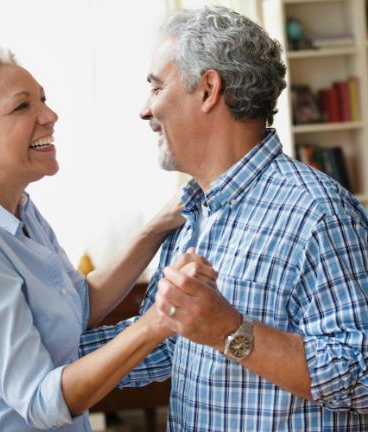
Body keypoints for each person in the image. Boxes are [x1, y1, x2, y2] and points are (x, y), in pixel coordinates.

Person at [0, 44, 217, 432]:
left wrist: (158, 227)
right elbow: (40, 401)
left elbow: (78, 305)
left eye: (43, 100)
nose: (50, 116)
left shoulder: (18, 208)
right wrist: (157, 321)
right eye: (22, 107)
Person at [80, 5, 368, 431]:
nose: (145, 110)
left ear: (208, 88)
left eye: (156, 88)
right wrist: (46, 358)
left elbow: (361, 376)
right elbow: (169, 339)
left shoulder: (318, 212)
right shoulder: (193, 210)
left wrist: (232, 330)